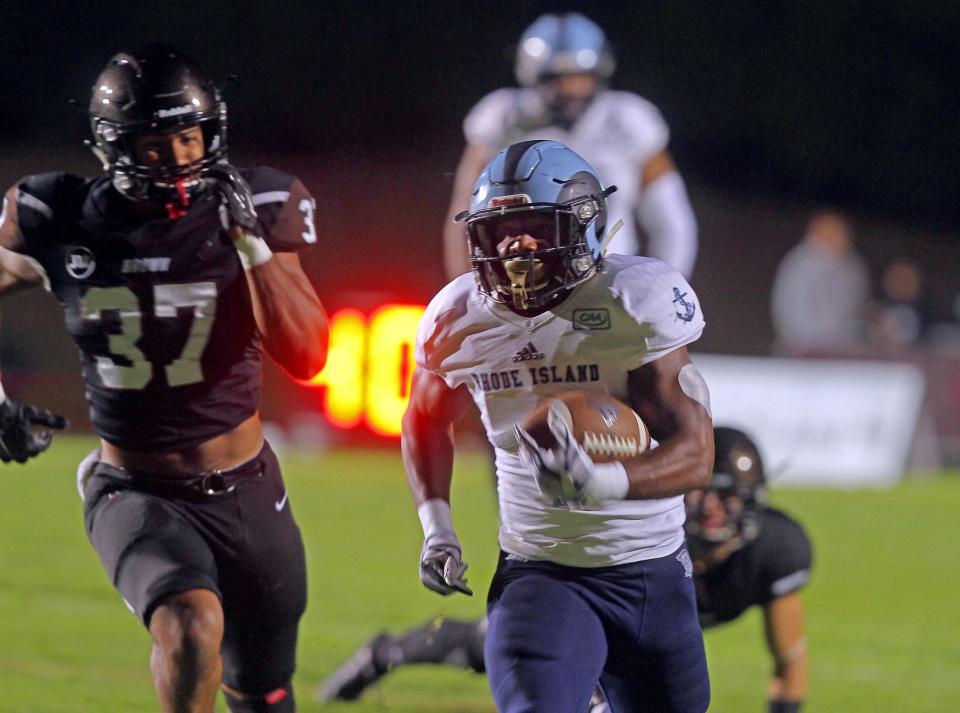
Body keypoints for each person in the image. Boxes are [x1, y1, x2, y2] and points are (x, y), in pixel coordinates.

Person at [0, 45, 329, 713]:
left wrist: (250, 245)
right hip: (135, 489)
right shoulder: (59, 217)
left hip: (247, 489)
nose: (179, 158)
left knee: (264, 692)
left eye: (189, 136)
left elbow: (308, 354)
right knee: (188, 624)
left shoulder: (255, 206)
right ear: (113, 147)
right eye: (156, 143)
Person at [404, 139, 713, 712]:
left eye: (534, 227)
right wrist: (437, 527)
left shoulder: (632, 300)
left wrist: (603, 482)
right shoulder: (458, 315)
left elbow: (696, 453)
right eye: (501, 230)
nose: (515, 245)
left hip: (653, 575)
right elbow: (423, 419)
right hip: (540, 571)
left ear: (583, 226)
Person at [319, 428, 813, 713]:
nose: (713, 511)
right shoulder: (641, 529)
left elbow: (789, 661)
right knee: (497, 648)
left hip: (648, 631)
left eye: (730, 499)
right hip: (594, 602)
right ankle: (385, 653)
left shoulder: (774, 552)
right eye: (706, 493)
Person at [442, 12, 697, 282]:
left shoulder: (628, 120)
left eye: (579, 76)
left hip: (610, 284)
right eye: (557, 78)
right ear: (532, 75)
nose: (570, 89)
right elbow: (466, 220)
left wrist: (666, 287)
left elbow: (671, 223)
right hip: (523, 285)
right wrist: (469, 290)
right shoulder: (502, 119)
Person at [770, 209, 870, 355]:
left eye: (841, 232)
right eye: (832, 231)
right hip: (801, 346)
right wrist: (808, 341)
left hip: (841, 347)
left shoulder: (853, 267)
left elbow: (856, 307)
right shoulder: (799, 264)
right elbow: (790, 308)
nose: (838, 237)